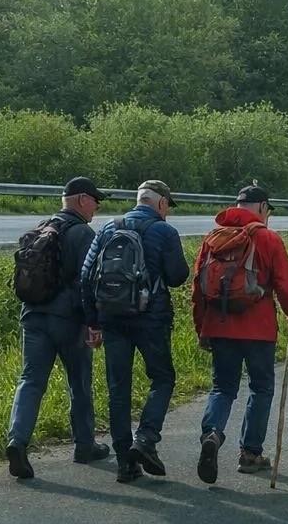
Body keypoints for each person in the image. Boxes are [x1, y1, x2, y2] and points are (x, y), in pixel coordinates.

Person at [80, 180, 191, 483]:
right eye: (168, 206)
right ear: (161, 204)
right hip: (152, 320)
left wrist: (93, 321)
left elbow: (86, 276)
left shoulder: (107, 228)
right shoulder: (164, 231)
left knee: (119, 388)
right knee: (163, 377)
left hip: (112, 319)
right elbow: (178, 276)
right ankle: (145, 439)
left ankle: (125, 464)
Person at [191, 185, 288, 484]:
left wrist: (202, 327)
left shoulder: (213, 238)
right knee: (261, 388)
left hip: (220, 325)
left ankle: (212, 434)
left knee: (223, 387)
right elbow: (284, 283)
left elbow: (198, 287)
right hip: (259, 329)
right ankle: (250, 454)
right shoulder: (268, 238)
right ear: (263, 207)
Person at [6, 177, 112, 479]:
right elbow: (89, 283)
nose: (98, 205)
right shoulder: (83, 234)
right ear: (81, 200)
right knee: (79, 381)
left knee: (30, 380)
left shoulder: (41, 227)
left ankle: (17, 440)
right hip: (68, 320)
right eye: (95, 199)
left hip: (33, 317)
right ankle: (84, 445)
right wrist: (94, 323)